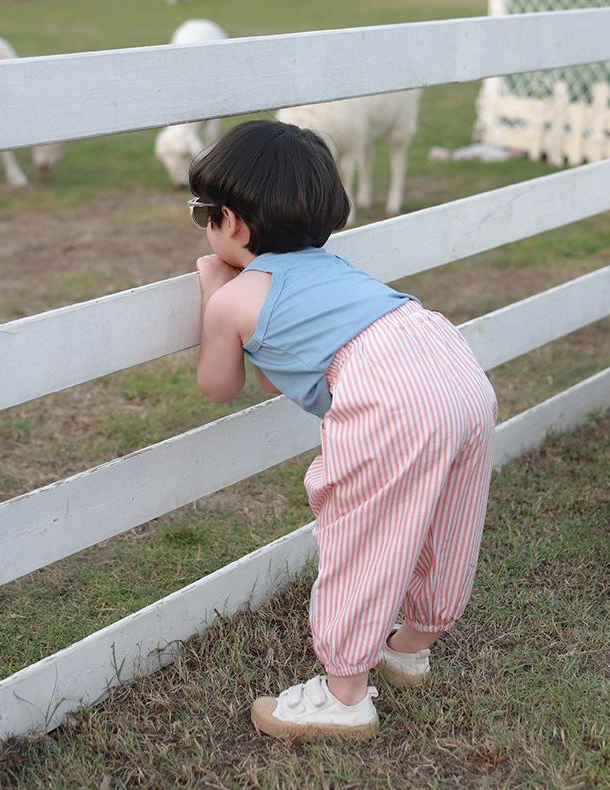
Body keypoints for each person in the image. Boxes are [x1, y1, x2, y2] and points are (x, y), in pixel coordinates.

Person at [189, 120, 498, 740]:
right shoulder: (333, 268)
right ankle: (410, 646)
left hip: (393, 396)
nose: (201, 223)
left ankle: (344, 693)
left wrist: (211, 294)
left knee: (363, 533)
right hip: (450, 361)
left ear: (235, 224)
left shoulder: (233, 298)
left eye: (203, 212)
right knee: (447, 516)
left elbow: (218, 385)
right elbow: (287, 368)